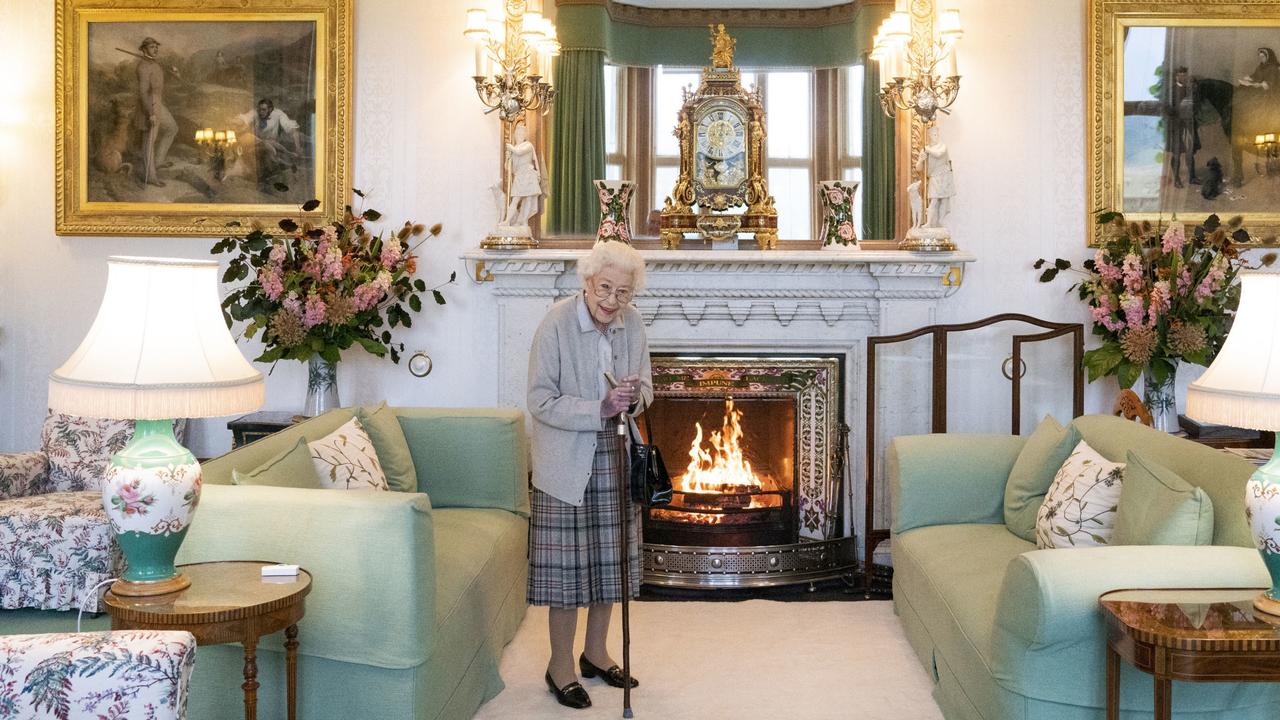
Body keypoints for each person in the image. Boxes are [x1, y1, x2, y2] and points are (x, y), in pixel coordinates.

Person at [526, 241, 652, 711]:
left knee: (609, 565)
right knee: (568, 574)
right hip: (566, 461)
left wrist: (632, 397)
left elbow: (647, 389)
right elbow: (539, 400)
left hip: (616, 455)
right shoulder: (557, 322)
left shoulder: (632, 322)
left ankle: (596, 654)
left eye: (622, 292)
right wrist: (598, 407)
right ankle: (560, 666)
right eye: (605, 288)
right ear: (587, 282)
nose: (612, 301)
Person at [135, 37, 176, 187]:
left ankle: (158, 162)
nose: (155, 49)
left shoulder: (155, 63)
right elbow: (143, 92)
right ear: (144, 49)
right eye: (152, 47)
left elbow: (159, 79)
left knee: (172, 128)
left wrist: (172, 71)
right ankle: (150, 176)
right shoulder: (143, 67)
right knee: (149, 141)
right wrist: (150, 113)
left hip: (158, 101)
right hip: (149, 103)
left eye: (156, 46)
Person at [235, 98, 305, 184]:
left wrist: (298, 147)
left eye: (264, 110)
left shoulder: (278, 114)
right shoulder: (255, 112)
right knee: (262, 143)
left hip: (269, 145)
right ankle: (287, 162)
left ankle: (288, 161)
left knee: (270, 148)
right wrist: (238, 121)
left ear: (270, 109)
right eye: (259, 109)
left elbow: (292, 129)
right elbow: (245, 118)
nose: (261, 112)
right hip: (255, 145)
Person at [502, 124, 544, 229]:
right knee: (515, 199)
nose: (519, 135)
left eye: (522, 133)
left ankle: (524, 221)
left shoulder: (528, 145)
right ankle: (507, 221)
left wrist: (511, 148)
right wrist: (507, 158)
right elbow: (507, 168)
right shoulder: (513, 149)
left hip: (528, 174)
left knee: (529, 199)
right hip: (519, 175)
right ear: (515, 135)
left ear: (525, 135)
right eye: (518, 133)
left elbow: (519, 152)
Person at [1167, 66, 1200, 188]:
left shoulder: (1189, 90)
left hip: (1189, 125)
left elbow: (1195, 106)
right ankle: (1176, 179)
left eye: (1185, 75)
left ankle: (1192, 177)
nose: (1183, 77)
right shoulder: (1171, 91)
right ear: (1176, 76)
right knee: (1177, 153)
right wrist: (1180, 109)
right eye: (1180, 75)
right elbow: (1167, 109)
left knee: (1190, 152)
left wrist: (1192, 110)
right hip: (1176, 127)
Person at [917, 125, 955, 228]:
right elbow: (918, 168)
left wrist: (927, 150)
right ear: (929, 135)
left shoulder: (942, 146)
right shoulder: (926, 150)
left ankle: (941, 221)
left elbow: (938, 154)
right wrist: (921, 160)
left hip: (944, 175)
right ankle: (929, 223)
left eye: (937, 134)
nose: (936, 136)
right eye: (934, 134)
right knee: (933, 200)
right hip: (934, 176)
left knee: (944, 199)